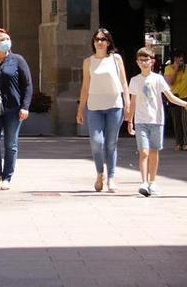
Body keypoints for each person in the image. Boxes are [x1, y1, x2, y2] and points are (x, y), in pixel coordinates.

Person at [126, 47, 187, 196]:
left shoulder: (158, 79)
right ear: (137, 62)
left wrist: (184, 104)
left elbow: (170, 96)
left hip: (157, 121)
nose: (144, 62)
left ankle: (152, 181)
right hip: (141, 121)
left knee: (154, 151)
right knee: (144, 152)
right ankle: (144, 182)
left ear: (152, 61)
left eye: (147, 60)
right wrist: (130, 120)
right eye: (141, 60)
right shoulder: (134, 80)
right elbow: (132, 101)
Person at [76, 28, 129, 193]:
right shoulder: (88, 62)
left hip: (114, 105)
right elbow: (85, 87)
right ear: (93, 42)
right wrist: (80, 109)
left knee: (111, 143)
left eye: (103, 39)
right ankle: (100, 173)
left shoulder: (116, 59)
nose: (100, 42)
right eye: (97, 39)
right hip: (94, 107)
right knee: (97, 142)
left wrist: (128, 104)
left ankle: (111, 177)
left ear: (108, 42)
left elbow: (124, 83)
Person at [0, 28, 32, 190]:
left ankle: (7, 177)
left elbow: (28, 85)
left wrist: (25, 107)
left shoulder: (18, 60)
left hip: (13, 109)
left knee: (11, 144)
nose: (6, 42)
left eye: (8, 39)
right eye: (2, 40)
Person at [164, 49, 187, 151]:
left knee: (185, 121)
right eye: (178, 57)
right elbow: (169, 82)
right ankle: (179, 143)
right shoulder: (169, 68)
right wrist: (175, 70)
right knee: (176, 121)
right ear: (174, 58)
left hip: (185, 97)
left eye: (182, 57)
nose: (180, 59)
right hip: (174, 97)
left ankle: (186, 142)